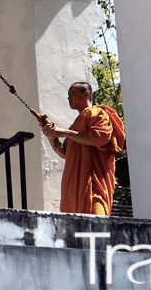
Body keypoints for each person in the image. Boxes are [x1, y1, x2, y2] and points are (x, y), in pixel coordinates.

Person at [36, 81, 125, 215]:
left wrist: (64, 132)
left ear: (86, 94)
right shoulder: (76, 125)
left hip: (94, 185)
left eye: (72, 93)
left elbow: (99, 138)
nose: (68, 97)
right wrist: (51, 136)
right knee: (74, 230)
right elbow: (65, 153)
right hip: (74, 187)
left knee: (96, 223)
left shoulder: (98, 113)